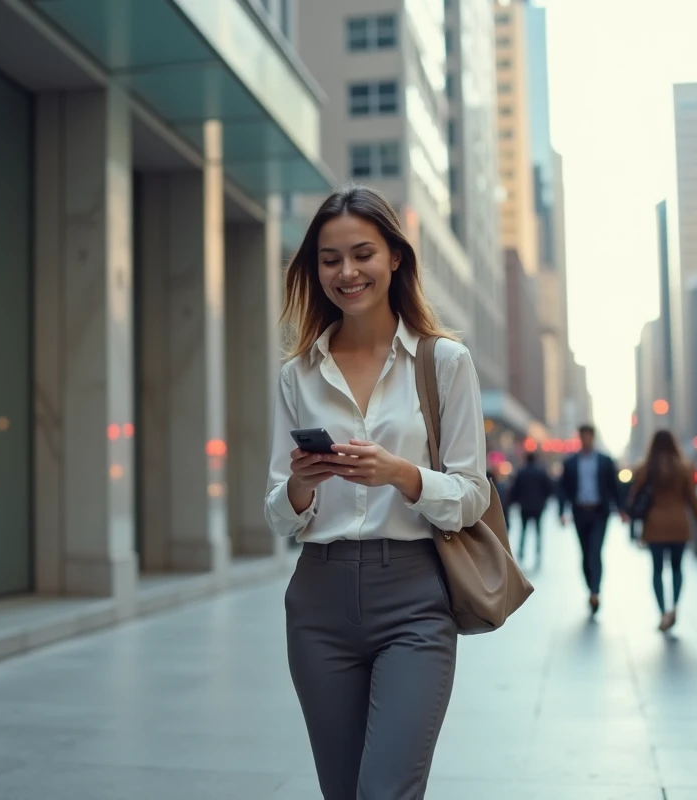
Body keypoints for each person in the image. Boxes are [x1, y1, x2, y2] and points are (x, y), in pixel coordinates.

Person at [264, 185, 489, 799]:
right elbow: (277, 512)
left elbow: (472, 494)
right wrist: (303, 487)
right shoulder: (298, 373)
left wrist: (402, 474)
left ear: (395, 257)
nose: (347, 271)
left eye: (362, 253)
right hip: (318, 601)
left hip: (414, 599)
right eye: (329, 259)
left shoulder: (443, 362)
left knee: (385, 791)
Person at [626, 430, 697, 631]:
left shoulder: (645, 468)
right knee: (677, 568)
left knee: (657, 570)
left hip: (655, 525)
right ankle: (675, 608)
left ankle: (662, 612)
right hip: (679, 524)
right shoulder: (684, 468)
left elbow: (634, 497)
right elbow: (692, 497)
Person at [558, 423, 626, 614]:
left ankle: (595, 591)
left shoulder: (605, 461)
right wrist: (562, 512)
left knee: (595, 551)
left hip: (599, 513)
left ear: (593, 437)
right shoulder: (570, 462)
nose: (586, 439)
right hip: (579, 512)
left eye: (588, 436)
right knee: (585, 552)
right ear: (579, 438)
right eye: (583, 436)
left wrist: (622, 510)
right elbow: (563, 488)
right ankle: (590, 587)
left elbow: (615, 486)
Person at [507, 451, 554, 564]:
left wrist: (513, 502)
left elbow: (515, 490)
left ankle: (521, 552)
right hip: (538, 507)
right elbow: (548, 488)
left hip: (524, 506)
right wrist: (543, 501)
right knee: (538, 531)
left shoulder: (521, 472)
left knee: (523, 531)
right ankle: (538, 554)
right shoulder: (541, 472)